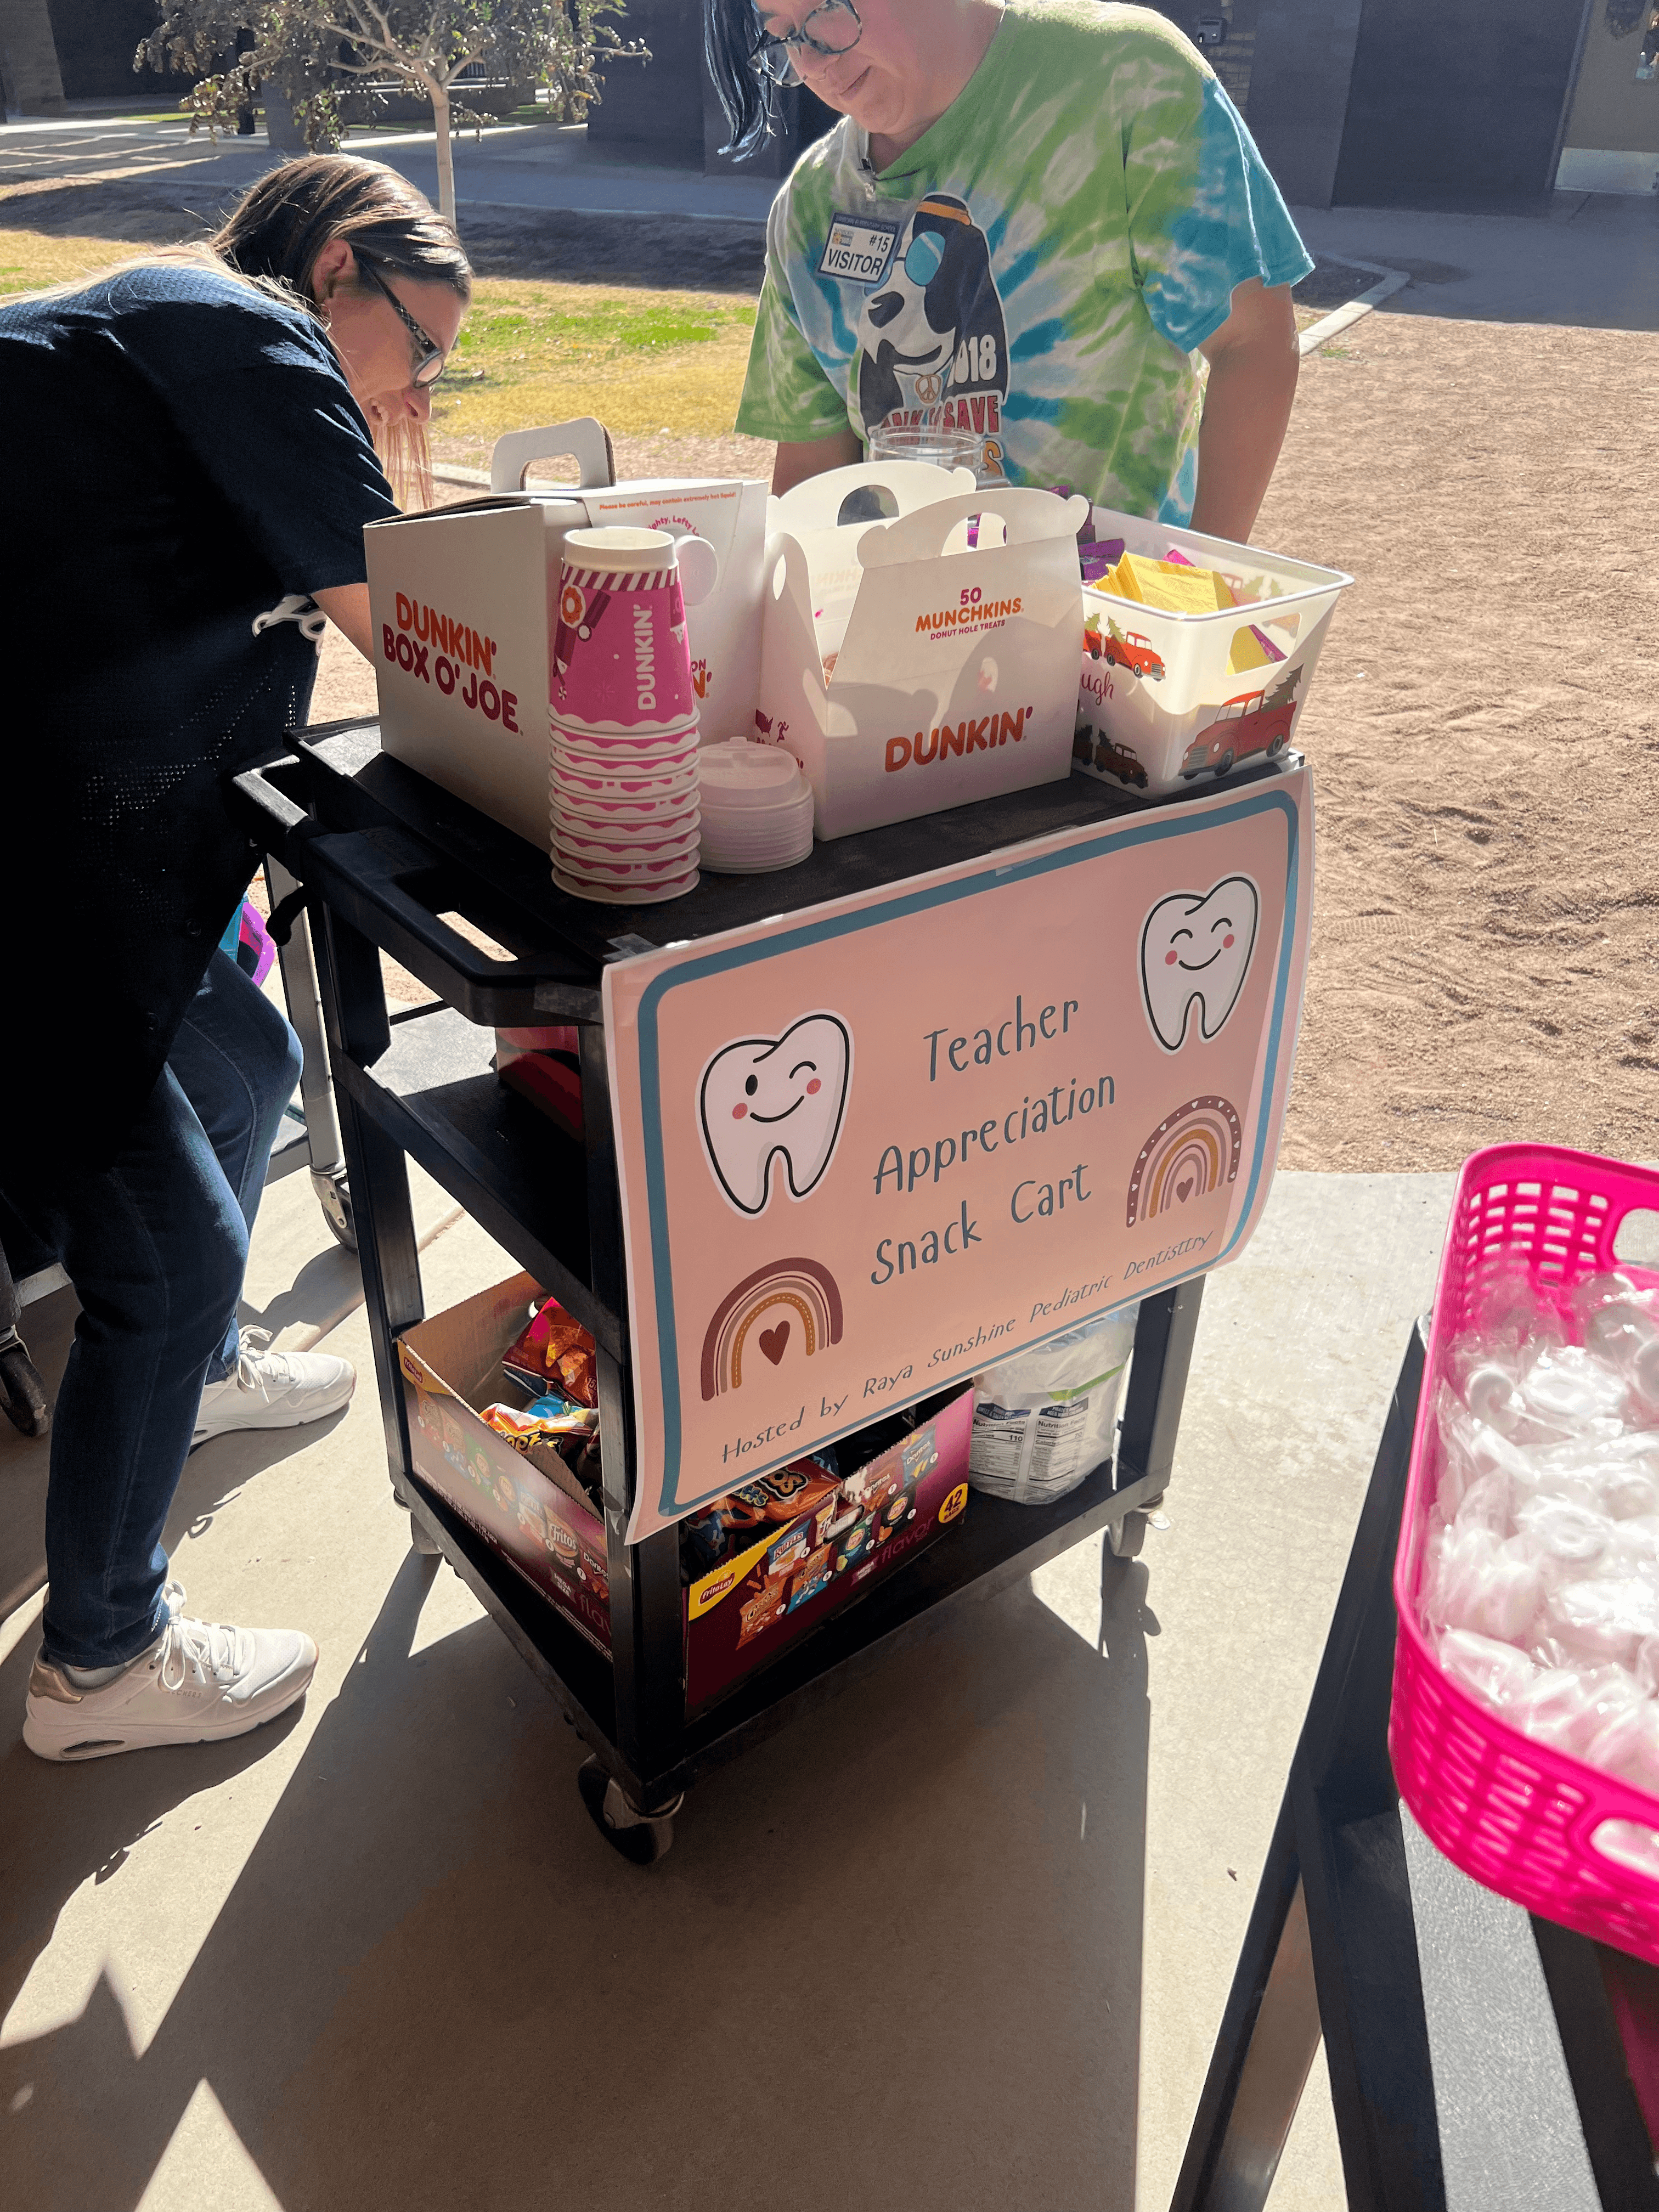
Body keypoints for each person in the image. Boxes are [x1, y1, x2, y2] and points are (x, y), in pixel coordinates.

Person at [0, 156, 470, 1762]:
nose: (420, 385)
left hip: (94, 834)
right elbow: (404, 623)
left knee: (249, 1059)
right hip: (32, 877)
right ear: (342, 270)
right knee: (175, 1250)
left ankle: (188, 1380)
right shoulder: (248, 332)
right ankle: (101, 1663)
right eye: (421, 348)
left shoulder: (153, 337)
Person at [708, 0, 1310, 540]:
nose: (811, 62)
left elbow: (1252, 342)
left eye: (824, 10)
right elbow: (811, 480)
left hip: (1112, 637)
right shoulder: (810, 205)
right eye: (782, 35)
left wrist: (1201, 584)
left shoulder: (1128, 80)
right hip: (893, 631)